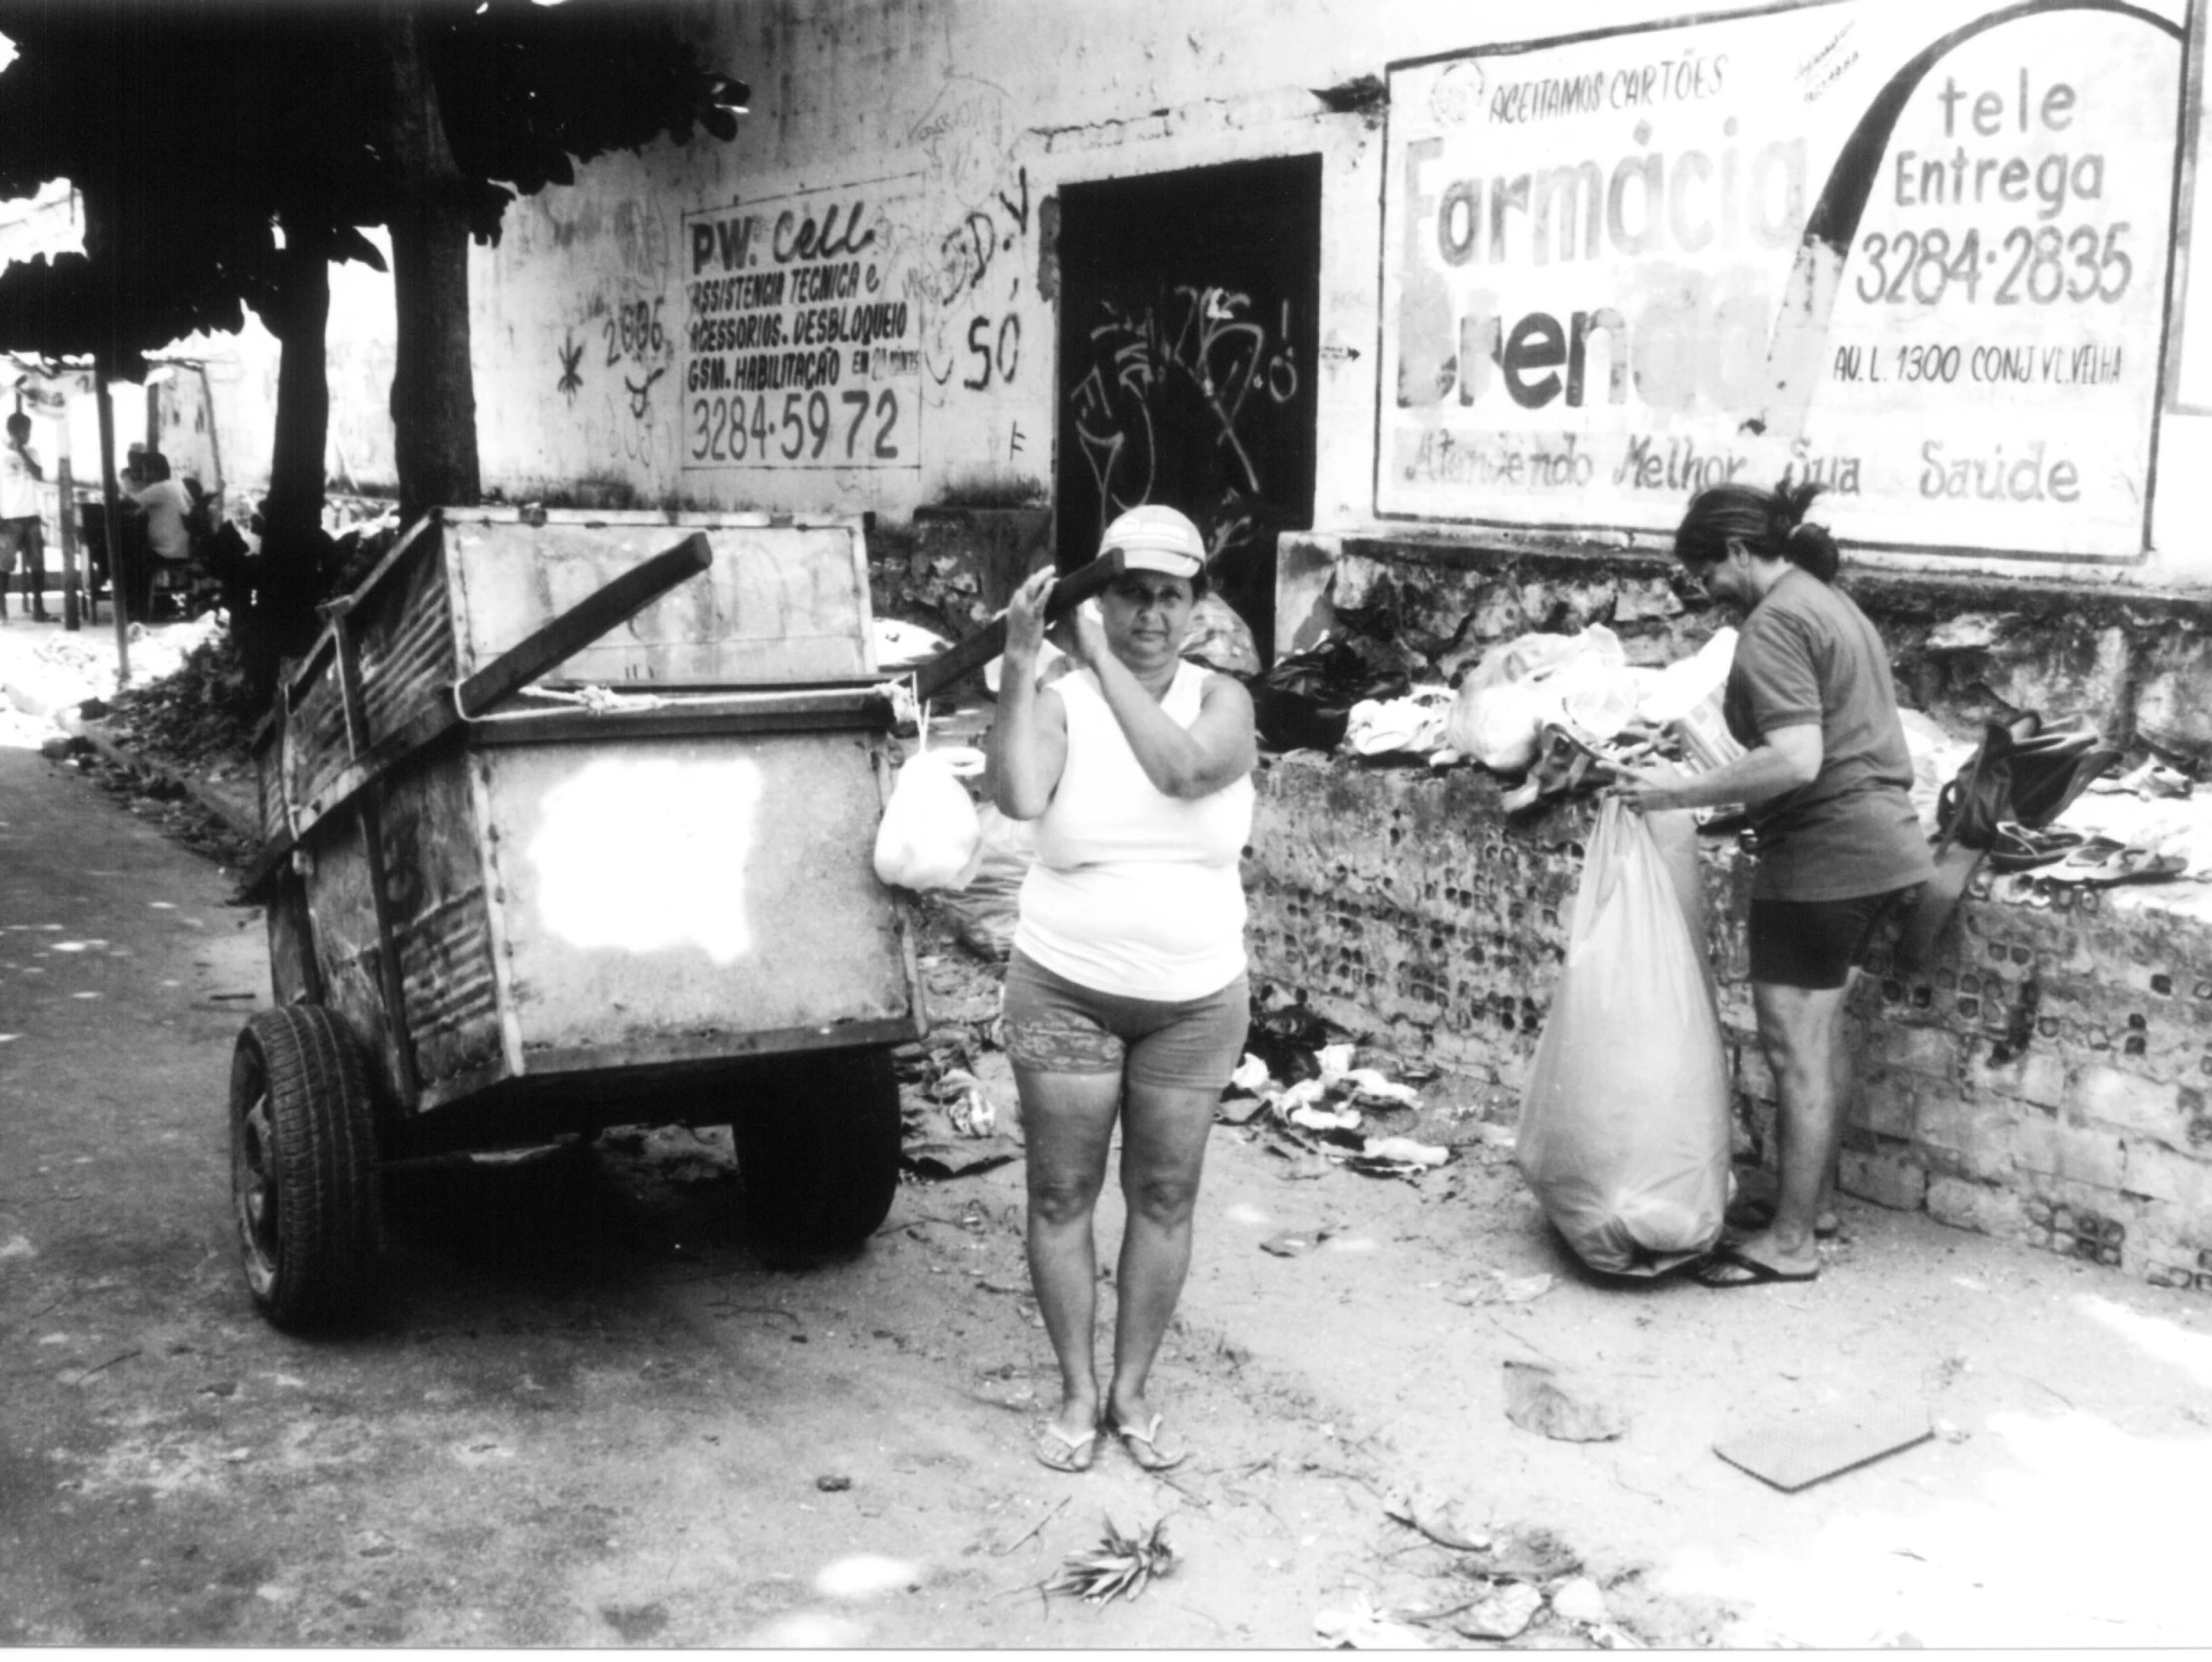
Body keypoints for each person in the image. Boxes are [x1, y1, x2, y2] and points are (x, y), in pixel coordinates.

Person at [988, 502, 1257, 1472]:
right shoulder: (1060, 702)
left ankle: (1130, 1387)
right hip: (1064, 984)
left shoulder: (1223, 701)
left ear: (1195, 608)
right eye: (1128, 593)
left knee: (1165, 1190)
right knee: (1062, 1190)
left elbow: (1183, 770)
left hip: (1193, 998)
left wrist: (1093, 653)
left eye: (1168, 596)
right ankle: (1072, 1387)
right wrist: (1025, 665)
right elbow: (1018, 796)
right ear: (1102, 596)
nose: (1148, 614)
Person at [1619, 480, 1931, 1287]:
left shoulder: (1772, 626)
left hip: (1825, 856)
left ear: (1733, 551)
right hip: (1879, 847)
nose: (1703, 592)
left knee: (1796, 1052)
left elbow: (1797, 759)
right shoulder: (1827, 602)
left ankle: (1791, 1243)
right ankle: (1812, 1206)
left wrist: (1672, 792)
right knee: (1819, 1042)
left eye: (1703, 572)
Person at [127, 449, 195, 618]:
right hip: (182, 548)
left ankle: (137, 610)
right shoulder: (177, 485)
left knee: (129, 559)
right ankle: (161, 604)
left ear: (154, 471)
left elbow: (128, 503)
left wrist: (125, 486)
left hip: (166, 551)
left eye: (145, 471)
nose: (143, 475)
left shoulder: (160, 488)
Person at [1, 413, 50, 621]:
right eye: (24, 432)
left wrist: (21, 450)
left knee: (37, 564)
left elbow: (38, 474)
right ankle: (2, 609)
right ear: (14, 432)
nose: (28, 435)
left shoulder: (32, 452)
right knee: (4, 563)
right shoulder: (1, 454)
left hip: (31, 516)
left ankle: (38, 607)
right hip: (8, 518)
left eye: (29, 431)